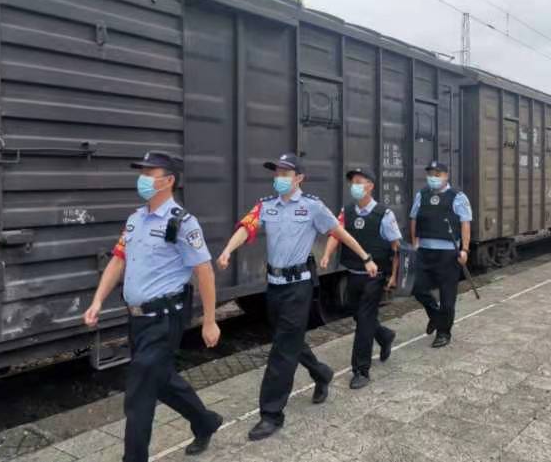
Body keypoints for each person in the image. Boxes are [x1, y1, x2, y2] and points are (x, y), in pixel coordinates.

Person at [216, 153, 378, 441]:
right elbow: (247, 226)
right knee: (287, 340)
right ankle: (321, 372)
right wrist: (228, 250)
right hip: (274, 286)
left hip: (299, 287)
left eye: (285, 173)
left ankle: (271, 414)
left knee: (281, 351)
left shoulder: (312, 206)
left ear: (299, 178)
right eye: (276, 173)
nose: (279, 178)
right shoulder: (266, 205)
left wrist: (365, 257)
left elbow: (339, 232)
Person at [83, 151, 223, 460]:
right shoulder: (135, 220)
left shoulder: (182, 223)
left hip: (164, 319)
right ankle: (205, 421)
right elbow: (117, 260)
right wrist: (97, 300)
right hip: (137, 320)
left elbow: (204, 271)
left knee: (139, 393)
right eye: (141, 173)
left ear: (168, 180)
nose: (143, 179)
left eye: (149, 174)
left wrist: (210, 320)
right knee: (161, 380)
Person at [320, 168, 401, 389]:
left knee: (364, 322)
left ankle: (361, 370)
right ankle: (384, 336)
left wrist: (394, 276)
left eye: (359, 182)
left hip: (375, 276)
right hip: (353, 274)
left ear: (370, 186)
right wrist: (326, 255)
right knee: (357, 314)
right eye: (352, 183)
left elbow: (396, 248)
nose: (354, 186)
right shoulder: (346, 211)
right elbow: (336, 234)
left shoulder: (384, 214)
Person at [409, 161, 472, 348]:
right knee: (416, 287)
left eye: (437, 175)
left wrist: (465, 249)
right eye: (430, 174)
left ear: (446, 176)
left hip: (448, 253)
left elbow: (465, 223)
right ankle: (435, 315)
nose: (433, 178)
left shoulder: (458, 197)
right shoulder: (422, 194)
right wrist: (414, 242)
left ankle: (444, 333)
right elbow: (414, 218)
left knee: (447, 297)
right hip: (424, 251)